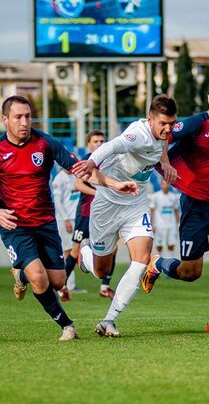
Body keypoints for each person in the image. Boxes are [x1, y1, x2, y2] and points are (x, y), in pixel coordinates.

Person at [0, 95, 138, 341]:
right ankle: (67, 326)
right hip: (15, 225)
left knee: (57, 281)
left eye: (28, 116)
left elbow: (82, 170)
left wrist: (114, 184)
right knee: (39, 278)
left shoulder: (45, 143)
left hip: (44, 222)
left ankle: (19, 275)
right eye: (18, 117)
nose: (24, 122)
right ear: (5, 120)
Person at [142, 79, 209, 333]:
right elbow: (165, 134)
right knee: (190, 272)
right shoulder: (196, 123)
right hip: (195, 205)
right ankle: (157, 263)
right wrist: (164, 162)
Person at [72, 94, 177, 338]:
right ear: (150, 119)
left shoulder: (163, 132)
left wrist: (167, 164)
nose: (168, 128)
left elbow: (161, 147)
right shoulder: (137, 134)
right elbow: (113, 145)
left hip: (135, 204)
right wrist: (91, 162)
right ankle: (84, 255)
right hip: (107, 204)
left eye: (172, 123)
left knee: (141, 260)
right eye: (163, 123)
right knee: (101, 271)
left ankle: (109, 320)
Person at [64, 130, 117, 299]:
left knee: (113, 249)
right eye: (96, 141)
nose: (100, 144)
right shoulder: (85, 162)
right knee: (75, 250)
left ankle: (104, 286)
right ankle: (62, 286)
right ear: (89, 144)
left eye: (102, 141)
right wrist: (99, 194)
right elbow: (78, 184)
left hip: (105, 213)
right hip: (86, 213)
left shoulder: (109, 161)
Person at [51, 167, 84, 300]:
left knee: (73, 251)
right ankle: (67, 285)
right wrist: (65, 219)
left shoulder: (75, 177)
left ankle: (68, 285)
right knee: (68, 251)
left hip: (76, 217)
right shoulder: (59, 179)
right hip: (65, 220)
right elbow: (57, 202)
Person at [149, 178, 180, 256]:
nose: (165, 185)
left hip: (171, 225)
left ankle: (171, 261)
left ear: (169, 185)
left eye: (167, 183)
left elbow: (176, 211)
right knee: (159, 245)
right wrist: (152, 224)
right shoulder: (155, 196)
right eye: (163, 183)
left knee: (171, 244)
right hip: (159, 225)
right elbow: (152, 211)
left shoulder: (173, 197)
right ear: (161, 184)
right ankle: (160, 261)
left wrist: (177, 224)